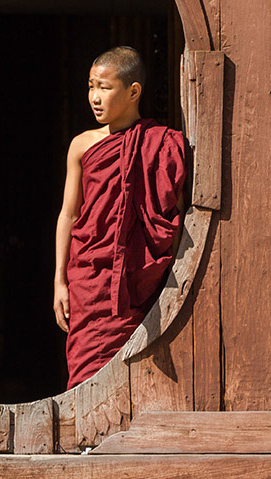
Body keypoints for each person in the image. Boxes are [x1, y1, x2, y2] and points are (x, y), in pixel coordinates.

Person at [53, 46, 187, 388]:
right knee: (85, 376)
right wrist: (59, 280)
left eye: (104, 87)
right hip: (89, 277)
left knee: (130, 376)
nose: (94, 97)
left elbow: (174, 212)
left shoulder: (161, 144)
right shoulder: (82, 145)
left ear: (133, 92)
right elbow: (69, 213)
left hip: (134, 280)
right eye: (90, 86)